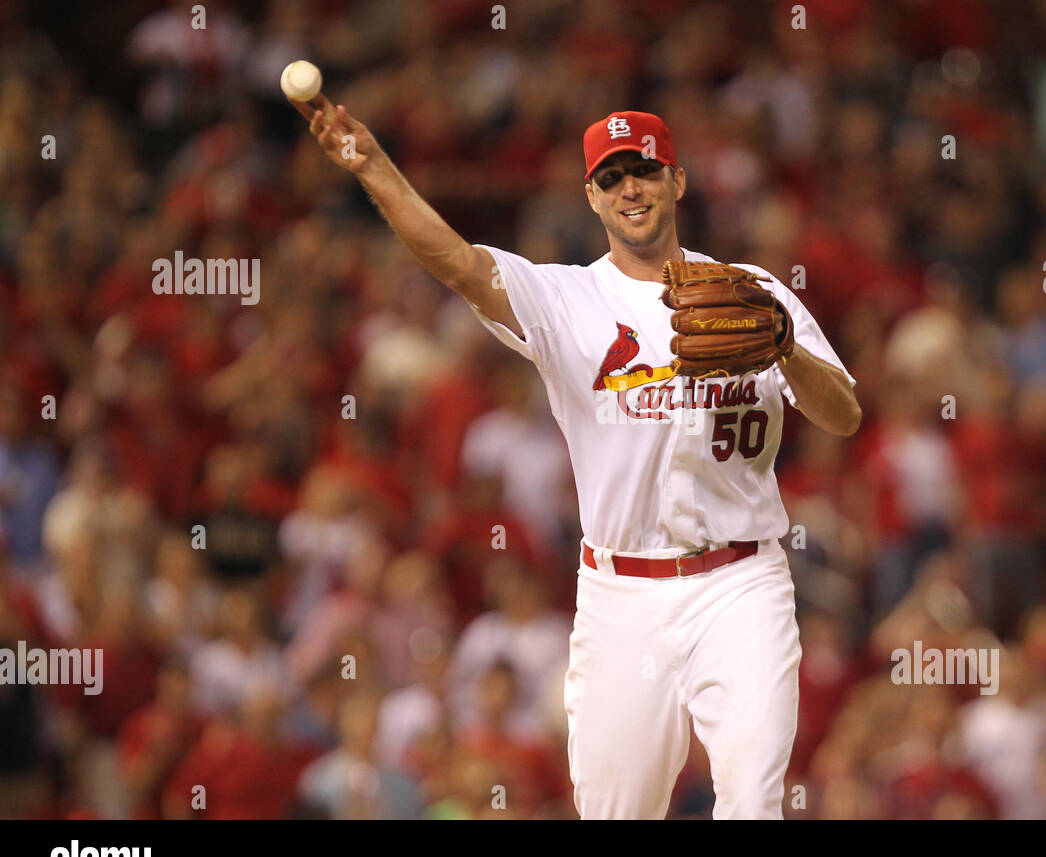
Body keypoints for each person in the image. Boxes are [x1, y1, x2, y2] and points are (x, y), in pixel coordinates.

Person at [293, 97, 860, 819]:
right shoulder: (570, 298)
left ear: (677, 181)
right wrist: (376, 170)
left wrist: (782, 342)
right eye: (613, 176)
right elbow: (457, 263)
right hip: (622, 595)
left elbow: (841, 414)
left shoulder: (755, 294)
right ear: (591, 195)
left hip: (742, 583)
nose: (631, 188)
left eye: (645, 171)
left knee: (753, 801)